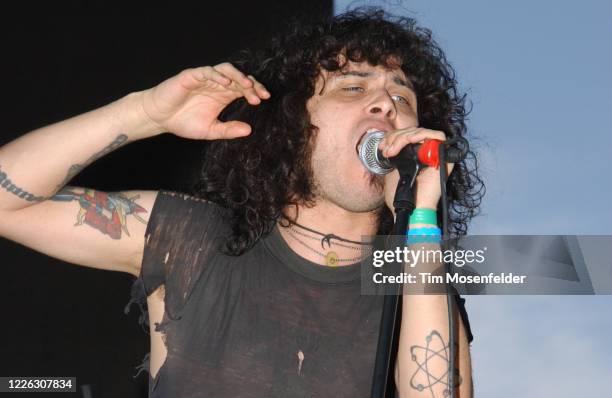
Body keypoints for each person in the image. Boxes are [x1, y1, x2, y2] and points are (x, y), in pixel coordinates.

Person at [0, 9, 483, 397]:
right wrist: (143, 112)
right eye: (353, 87)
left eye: (402, 95)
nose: (386, 104)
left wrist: (419, 219)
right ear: (294, 126)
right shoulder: (190, 238)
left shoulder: (421, 284)